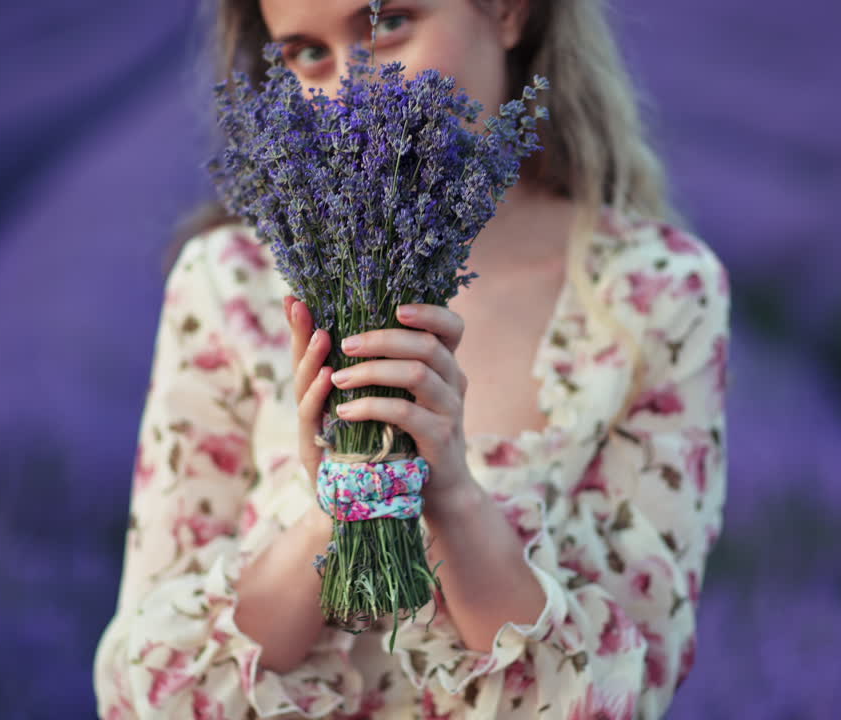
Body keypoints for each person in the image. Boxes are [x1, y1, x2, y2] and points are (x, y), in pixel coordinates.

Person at [93, 0, 731, 717]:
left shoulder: (653, 295)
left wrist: (455, 499)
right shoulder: (229, 284)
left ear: (509, 11)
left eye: (388, 22)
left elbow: (625, 692)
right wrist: (334, 503)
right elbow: (149, 689)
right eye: (307, 54)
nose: (353, 92)